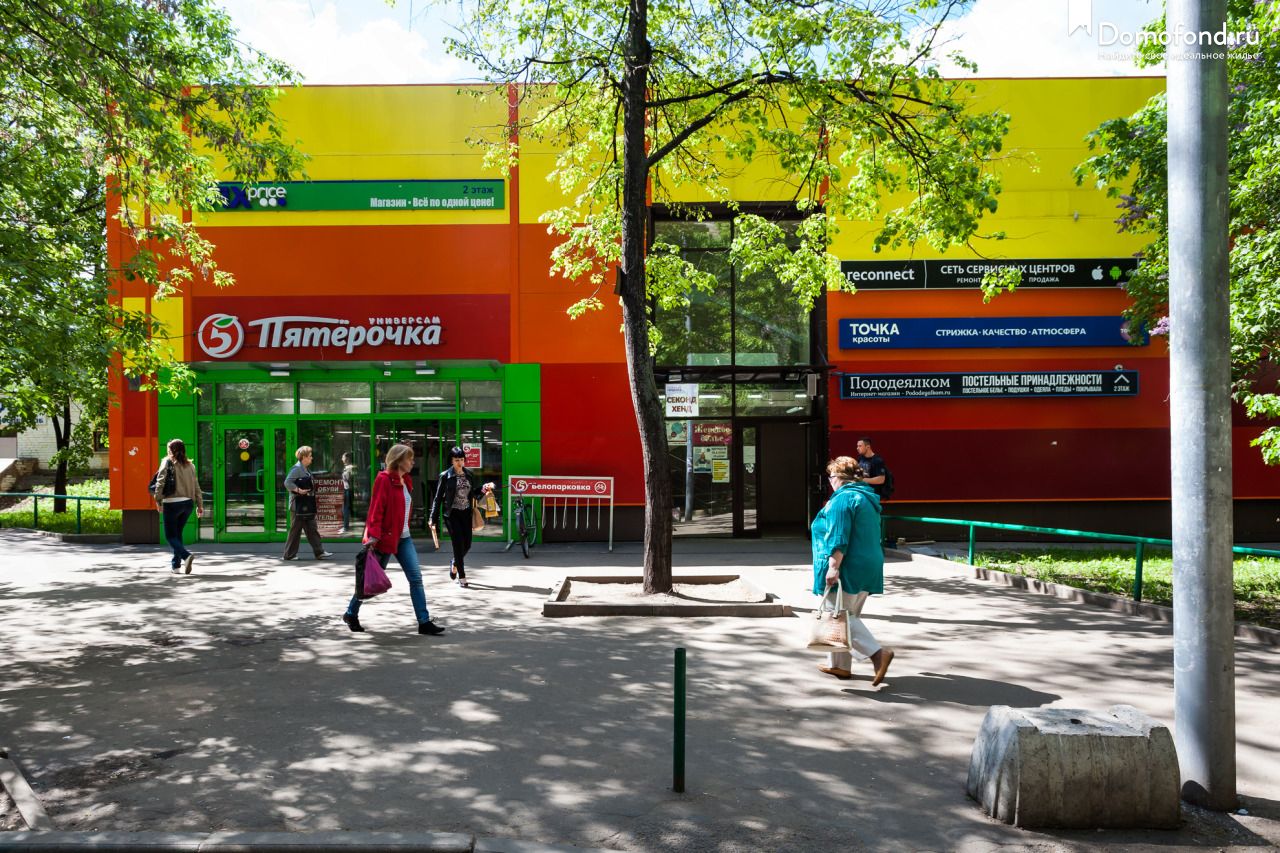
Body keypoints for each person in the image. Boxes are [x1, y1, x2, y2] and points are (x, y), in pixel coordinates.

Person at [343, 443, 445, 635]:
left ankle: (424, 622)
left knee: (416, 579)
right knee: (369, 581)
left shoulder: (406, 480)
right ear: (399, 460)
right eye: (410, 459)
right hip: (384, 539)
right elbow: (376, 509)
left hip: (404, 537)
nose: (413, 462)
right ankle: (351, 613)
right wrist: (373, 536)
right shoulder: (384, 479)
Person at [810, 456, 894, 684]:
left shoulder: (842, 499)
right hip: (869, 564)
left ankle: (878, 655)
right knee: (845, 614)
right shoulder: (866, 498)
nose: (830, 481)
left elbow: (839, 537)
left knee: (838, 614)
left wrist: (833, 567)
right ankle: (839, 665)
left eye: (830, 477)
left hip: (849, 565)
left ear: (838, 477)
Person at [428, 446, 495, 588]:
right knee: (458, 544)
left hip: (466, 513)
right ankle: (462, 576)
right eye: (456, 460)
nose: (459, 463)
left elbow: (473, 493)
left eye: (462, 460)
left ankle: (454, 562)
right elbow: (438, 498)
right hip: (452, 514)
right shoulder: (445, 476)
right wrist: (432, 518)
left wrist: (483, 488)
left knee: (467, 544)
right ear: (451, 461)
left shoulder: (469, 474)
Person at [153, 438, 204, 574]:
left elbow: (160, 482)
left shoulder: (167, 462)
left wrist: (157, 500)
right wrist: (200, 505)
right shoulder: (191, 466)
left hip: (172, 503)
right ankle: (176, 566)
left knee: (170, 536)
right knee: (177, 534)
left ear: (171, 450)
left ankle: (186, 556)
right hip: (188, 504)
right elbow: (196, 487)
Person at [282, 446, 334, 561]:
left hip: (306, 505)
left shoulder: (305, 469)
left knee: (312, 528)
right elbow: (287, 483)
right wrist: (299, 490)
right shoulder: (297, 469)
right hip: (298, 506)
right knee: (295, 531)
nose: (312, 458)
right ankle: (289, 554)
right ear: (304, 457)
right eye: (310, 456)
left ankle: (319, 552)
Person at [340, 451, 356, 534]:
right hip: (346, 489)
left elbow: (350, 479)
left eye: (343, 457)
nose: (342, 459)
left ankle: (346, 527)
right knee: (344, 508)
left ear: (347, 458)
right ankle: (345, 526)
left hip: (348, 490)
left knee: (345, 509)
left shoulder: (350, 468)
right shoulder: (347, 467)